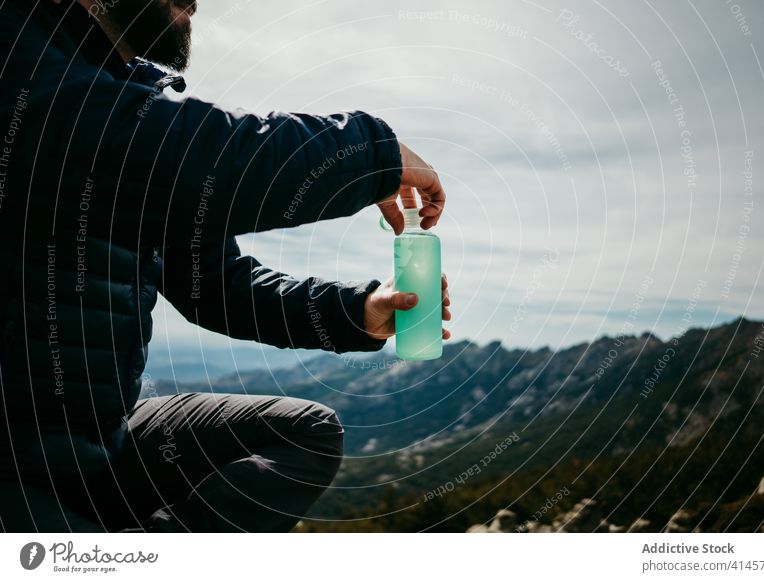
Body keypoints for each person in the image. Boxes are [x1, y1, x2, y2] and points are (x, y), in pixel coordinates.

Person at [0, 0, 451, 532]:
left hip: (96, 441)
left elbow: (213, 284)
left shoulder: (122, 103)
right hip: (15, 462)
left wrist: (357, 310)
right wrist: (371, 153)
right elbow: (196, 152)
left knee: (303, 431)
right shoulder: (22, 58)